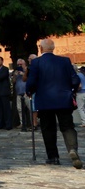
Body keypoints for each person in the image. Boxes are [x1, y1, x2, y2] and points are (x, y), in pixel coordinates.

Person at [26, 39, 82, 169]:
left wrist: (30, 91)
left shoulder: (36, 62)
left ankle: (53, 157)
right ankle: (72, 149)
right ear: (53, 48)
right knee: (67, 126)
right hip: (63, 99)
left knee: (48, 129)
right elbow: (75, 79)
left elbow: (31, 81)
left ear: (41, 49)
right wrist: (71, 90)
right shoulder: (65, 61)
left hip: (45, 101)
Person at [12, 58, 31, 131]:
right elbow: (13, 82)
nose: (20, 66)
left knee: (30, 108)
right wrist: (15, 76)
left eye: (21, 64)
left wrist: (24, 74)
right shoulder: (16, 71)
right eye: (18, 64)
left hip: (27, 92)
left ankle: (33, 123)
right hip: (19, 92)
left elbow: (31, 79)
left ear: (25, 64)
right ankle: (22, 123)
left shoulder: (28, 70)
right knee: (19, 109)